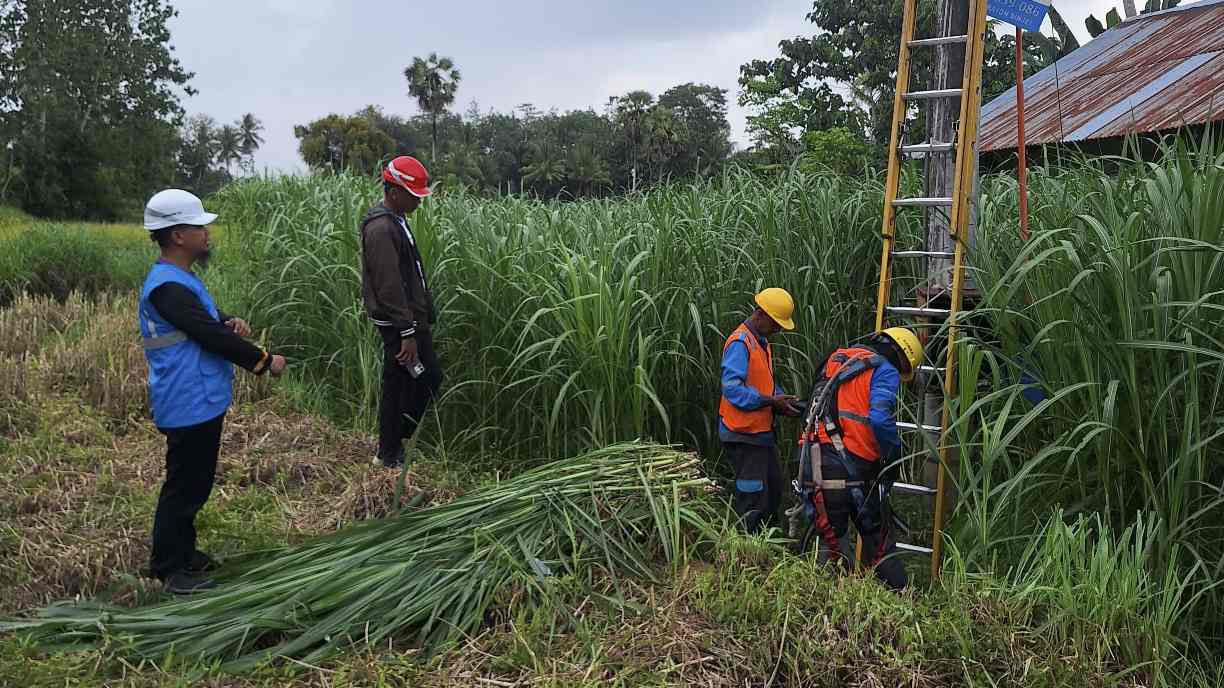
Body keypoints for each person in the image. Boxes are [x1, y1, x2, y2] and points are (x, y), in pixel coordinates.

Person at [139, 189, 287, 595]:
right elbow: (206, 334)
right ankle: (170, 569)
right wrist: (264, 360)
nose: (207, 233)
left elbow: (204, 318)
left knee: (196, 482)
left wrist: (228, 319)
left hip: (199, 397)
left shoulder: (179, 280)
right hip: (186, 398)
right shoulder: (166, 287)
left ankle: (184, 553)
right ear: (178, 236)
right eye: (199, 226)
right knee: (184, 487)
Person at [801, 327, 923, 590]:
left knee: (831, 550)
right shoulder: (885, 370)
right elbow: (879, 418)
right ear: (902, 358)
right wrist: (892, 457)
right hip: (855, 473)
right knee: (879, 546)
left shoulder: (838, 359)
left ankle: (820, 610)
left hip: (815, 465)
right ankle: (903, 606)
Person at [361, 155, 442, 469]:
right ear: (394, 191)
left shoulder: (396, 219)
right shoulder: (381, 228)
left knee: (420, 380)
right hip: (400, 326)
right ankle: (389, 451)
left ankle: (392, 444)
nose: (419, 202)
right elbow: (389, 284)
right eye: (414, 196)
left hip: (409, 321)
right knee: (409, 381)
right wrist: (406, 332)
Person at [718, 288, 802, 533]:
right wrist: (770, 401)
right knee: (753, 499)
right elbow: (732, 390)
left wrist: (783, 403)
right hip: (743, 435)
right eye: (776, 324)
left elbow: (765, 383)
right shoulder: (740, 343)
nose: (778, 330)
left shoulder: (761, 343)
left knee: (773, 490)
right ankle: (748, 554)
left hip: (761, 433)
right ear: (761, 314)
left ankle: (767, 546)